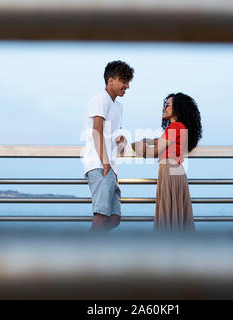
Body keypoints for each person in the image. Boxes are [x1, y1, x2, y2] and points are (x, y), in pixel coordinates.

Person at [132, 93, 202, 231]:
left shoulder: (175, 127)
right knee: (176, 217)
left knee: (168, 218)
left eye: (168, 105)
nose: (164, 108)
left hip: (169, 173)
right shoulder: (178, 128)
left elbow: (154, 151)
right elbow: (158, 141)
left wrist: (135, 146)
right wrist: (146, 141)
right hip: (174, 173)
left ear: (178, 108)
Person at [83, 60, 134, 231]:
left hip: (110, 166)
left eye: (128, 81)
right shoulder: (100, 99)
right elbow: (96, 131)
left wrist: (122, 141)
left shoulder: (118, 106)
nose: (127, 86)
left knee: (114, 218)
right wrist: (104, 162)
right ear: (110, 80)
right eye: (124, 81)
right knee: (102, 216)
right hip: (99, 164)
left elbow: (112, 135)